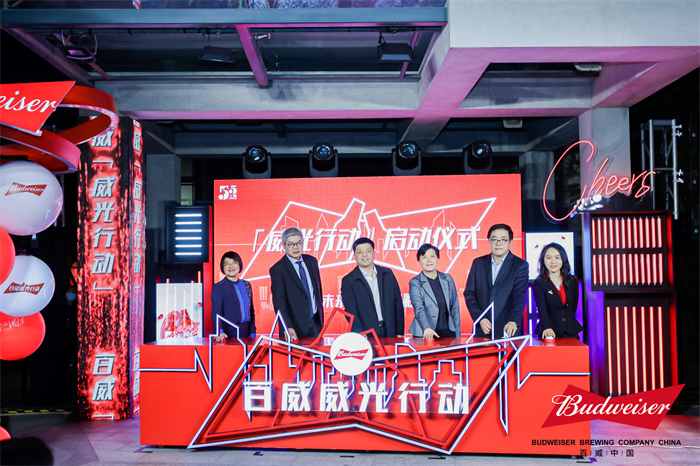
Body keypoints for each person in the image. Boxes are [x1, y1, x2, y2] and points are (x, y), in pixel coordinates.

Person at [464, 223, 528, 339]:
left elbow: (519, 296)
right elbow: (469, 293)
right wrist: (480, 318)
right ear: (489, 241)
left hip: (508, 328)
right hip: (483, 328)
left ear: (510, 242)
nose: (498, 243)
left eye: (503, 239)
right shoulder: (478, 263)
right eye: (494, 239)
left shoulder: (520, 265)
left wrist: (513, 320)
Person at [341, 237, 404, 337]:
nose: (364, 255)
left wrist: (399, 332)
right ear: (355, 255)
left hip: (390, 330)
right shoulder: (349, 280)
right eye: (360, 252)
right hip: (367, 333)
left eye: (368, 251)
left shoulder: (387, 274)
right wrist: (359, 332)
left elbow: (398, 303)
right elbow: (350, 310)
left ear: (374, 253)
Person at [269, 227, 323, 341]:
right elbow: (279, 301)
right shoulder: (278, 269)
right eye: (291, 244)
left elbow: (317, 291)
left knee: (318, 352)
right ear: (283, 245)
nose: (295, 247)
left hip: (316, 322)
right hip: (294, 327)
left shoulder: (312, 261)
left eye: (299, 243)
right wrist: (287, 325)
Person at [408, 243, 461, 339]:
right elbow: (419, 308)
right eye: (424, 257)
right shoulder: (415, 282)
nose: (429, 260)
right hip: (424, 332)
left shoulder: (447, 279)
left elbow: (455, 308)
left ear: (438, 259)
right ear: (419, 261)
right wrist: (427, 328)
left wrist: (458, 336)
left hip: (448, 331)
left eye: (432, 256)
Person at [533, 242, 583, 339]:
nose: (553, 262)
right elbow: (542, 309)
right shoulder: (539, 283)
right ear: (543, 260)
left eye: (557, 257)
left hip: (570, 331)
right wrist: (547, 327)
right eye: (548, 258)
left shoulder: (572, 281)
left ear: (563, 259)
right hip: (549, 332)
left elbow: (573, 307)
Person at [211, 251, 256, 342]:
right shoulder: (219, 287)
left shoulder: (246, 285)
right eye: (227, 263)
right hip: (228, 332)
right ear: (222, 267)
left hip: (246, 331)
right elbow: (216, 311)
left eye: (234, 262)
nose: (231, 266)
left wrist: (252, 331)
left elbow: (251, 310)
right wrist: (219, 331)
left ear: (240, 265)